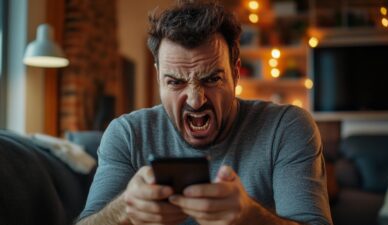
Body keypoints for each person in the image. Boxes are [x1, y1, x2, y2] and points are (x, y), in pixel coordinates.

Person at [76, 1, 332, 225]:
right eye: (175, 82)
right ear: (158, 78)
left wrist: (248, 217)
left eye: (212, 79)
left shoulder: (286, 127)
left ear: (235, 72)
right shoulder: (127, 135)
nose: (196, 101)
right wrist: (126, 209)